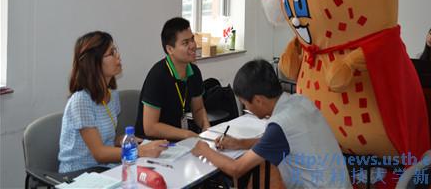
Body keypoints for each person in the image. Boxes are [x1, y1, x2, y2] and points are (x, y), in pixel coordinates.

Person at [191, 59, 352, 189]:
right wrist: (238, 143)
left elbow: (237, 168)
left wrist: (205, 150)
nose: (246, 108)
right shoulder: (299, 101)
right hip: (339, 183)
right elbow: (281, 143)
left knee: (261, 171)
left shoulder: (280, 124)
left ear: (258, 100)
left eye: (244, 103)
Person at [58, 31, 167, 173]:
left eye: (116, 51)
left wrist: (123, 140)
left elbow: (105, 140)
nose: (118, 56)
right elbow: (100, 154)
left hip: (105, 169)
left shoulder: (112, 96)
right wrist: (140, 150)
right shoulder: (81, 101)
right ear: (94, 62)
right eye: (111, 53)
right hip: (78, 174)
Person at [135, 17, 210, 140]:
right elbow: (150, 127)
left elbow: (198, 109)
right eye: (185, 43)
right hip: (151, 145)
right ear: (170, 49)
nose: (193, 45)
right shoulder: (158, 76)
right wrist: (186, 134)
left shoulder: (194, 72)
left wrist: (206, 127)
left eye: (192, 39)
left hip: (178, 141)